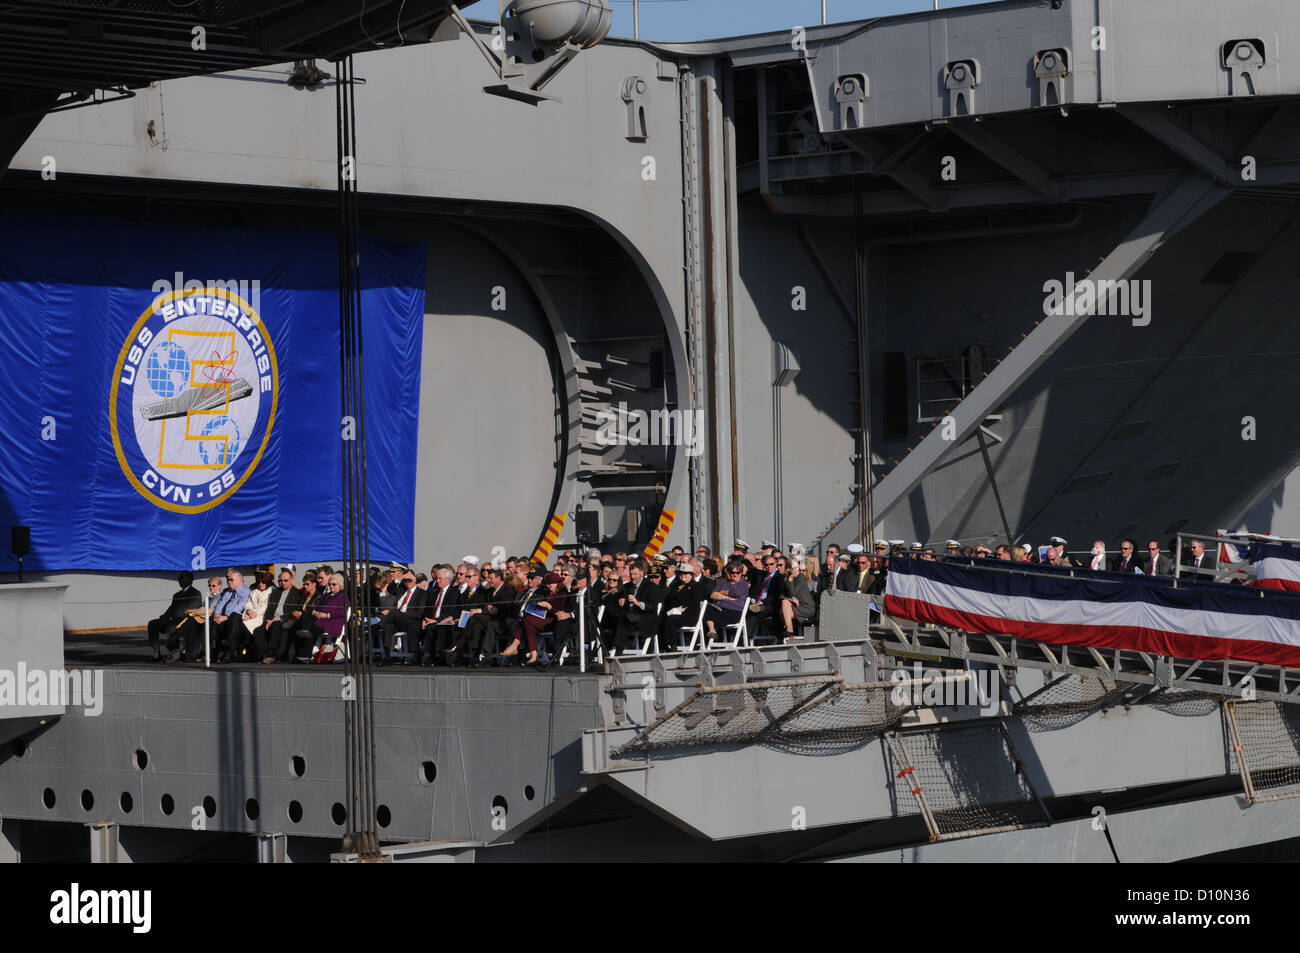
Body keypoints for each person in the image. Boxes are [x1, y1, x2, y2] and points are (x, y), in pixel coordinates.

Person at [147, 571, 201, 662]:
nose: (180, 580)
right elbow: (171, 608)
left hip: (184, 620)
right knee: (153, 624)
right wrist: (164, 616)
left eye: (182, 578)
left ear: (190, 580)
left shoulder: (195, 593)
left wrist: (177, 617)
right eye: (179, 578)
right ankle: (156, 652)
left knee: (171, 628)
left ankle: (174, 652)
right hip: (172, 619)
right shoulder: (177, 595)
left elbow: (192, 609)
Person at [611, 559, 661, 656]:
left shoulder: (650, 586)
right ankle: (617, 649)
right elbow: (621, 600)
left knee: (623, 621)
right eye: (631, 574)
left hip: (645, 617)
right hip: (630, 617)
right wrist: (621, 601)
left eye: (635, 574)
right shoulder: (627, 586)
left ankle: (618, 650)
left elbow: (653, 606)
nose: (632, 577)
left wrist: (638, 603)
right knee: (619, 619)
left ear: (641, 573)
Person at [257, 567, 303, 663]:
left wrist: (278, 619)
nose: (283, 583)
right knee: (258, 630)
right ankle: (265, 655)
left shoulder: (297, 593)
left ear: (292, 580)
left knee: (275, 625)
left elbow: (293, 611)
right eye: (280, 581)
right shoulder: (275, 592)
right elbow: (269, 610)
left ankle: (273, 654)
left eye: (285, 580)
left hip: (285, 619)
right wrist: (268, 620)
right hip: (272, 619)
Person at [383, 570, 427, 664]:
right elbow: (390, 589)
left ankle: (377, 624)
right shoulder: (401, 590)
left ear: (415, 580)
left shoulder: (421, 593)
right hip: (397, 621)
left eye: (410, 580)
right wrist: (400, 577)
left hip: (411, 620)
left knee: (392, 613)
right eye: (406, 581)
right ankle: (387, 656)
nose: (407, 583)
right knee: (389, 626)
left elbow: (419, 613)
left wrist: (402, 613)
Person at [209, 569, 251, 661]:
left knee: (234, 617)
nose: (229, 582)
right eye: (228, 580)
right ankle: (212, 652)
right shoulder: (228, 592)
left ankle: (229, 652)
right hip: (223, 617)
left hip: (236, 619)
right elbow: (221, 603)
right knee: (211, 621)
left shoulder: (245, 591)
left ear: (240, 581)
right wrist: (216, 613)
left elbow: (239, 607)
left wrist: (226, 617)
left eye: (231, 580)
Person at [705, 560, 749, 641]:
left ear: (741, 573)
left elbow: (736, 592)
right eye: (733, 572)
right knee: (708, 609)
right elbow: (713, 595)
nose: (735, 574)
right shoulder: (723, 584)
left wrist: (720, 593)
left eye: (738, 572)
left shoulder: (743, 584)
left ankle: (713, 636)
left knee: (714, 615)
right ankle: (712, 631)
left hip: (735, 611)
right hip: (720, 609)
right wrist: (728, 597)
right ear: (729, 572)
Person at [309, 573, 348, 662]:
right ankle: (305, 653)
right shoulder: (326, 596)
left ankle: (307, 653)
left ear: (340, 585)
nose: (331, 586)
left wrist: (327, 615)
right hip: (319, 619)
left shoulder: (343, 597)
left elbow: (342, 612)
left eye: (334, 584)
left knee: (309, 627)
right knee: (305, 620)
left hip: (332, 622)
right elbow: (315, 606)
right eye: (330, 584)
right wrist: (315, 612)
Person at [782, 555, 816, 641]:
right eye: (794, 567)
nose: (797, 570)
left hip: (807, 608)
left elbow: (794, 592)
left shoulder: (801, 577)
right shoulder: (788, 579)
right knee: (784, 604)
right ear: (789, 569)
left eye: (797, 567)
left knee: (785, 604)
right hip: (797, 606)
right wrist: (792, 597)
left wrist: (792, 596)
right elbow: (783, 595)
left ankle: (789, 633)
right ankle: (790, 633)